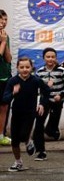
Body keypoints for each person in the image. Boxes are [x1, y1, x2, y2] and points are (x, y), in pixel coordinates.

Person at [3, 57, 50, 172]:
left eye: (27, 67)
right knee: (14, 141)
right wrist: (13, 93)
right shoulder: (13, 81)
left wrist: (42, 104)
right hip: (17, 112)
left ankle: (28, 141)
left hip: (30, 112)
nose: (25, 70)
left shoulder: (35, 80)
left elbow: (47, 91)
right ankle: (18, 162)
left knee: (24, 134)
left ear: (31, 68)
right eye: (22, 67)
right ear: (17, 68)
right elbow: (5, 99)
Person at [32, 48, 64, 161]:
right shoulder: (39, 72)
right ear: (44, 58)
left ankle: (53, 130)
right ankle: (41, 151)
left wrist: (61, 95)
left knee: (51, 126)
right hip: (44, 102)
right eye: (48, 57)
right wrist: (44, 88)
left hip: (57, 101)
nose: (50, 59)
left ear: (56, 58)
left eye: (52, 57)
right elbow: (36, 88)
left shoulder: (61, 71)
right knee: (38, 125)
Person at [0, 9, 13, 146]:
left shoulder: (5, 36)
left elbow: (8, 59)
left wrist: (4, 42)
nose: (3, 22)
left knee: (4, 106)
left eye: (5, 20)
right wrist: (2, 43)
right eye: (1, 19)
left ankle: (1, 134)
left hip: (5, 76)